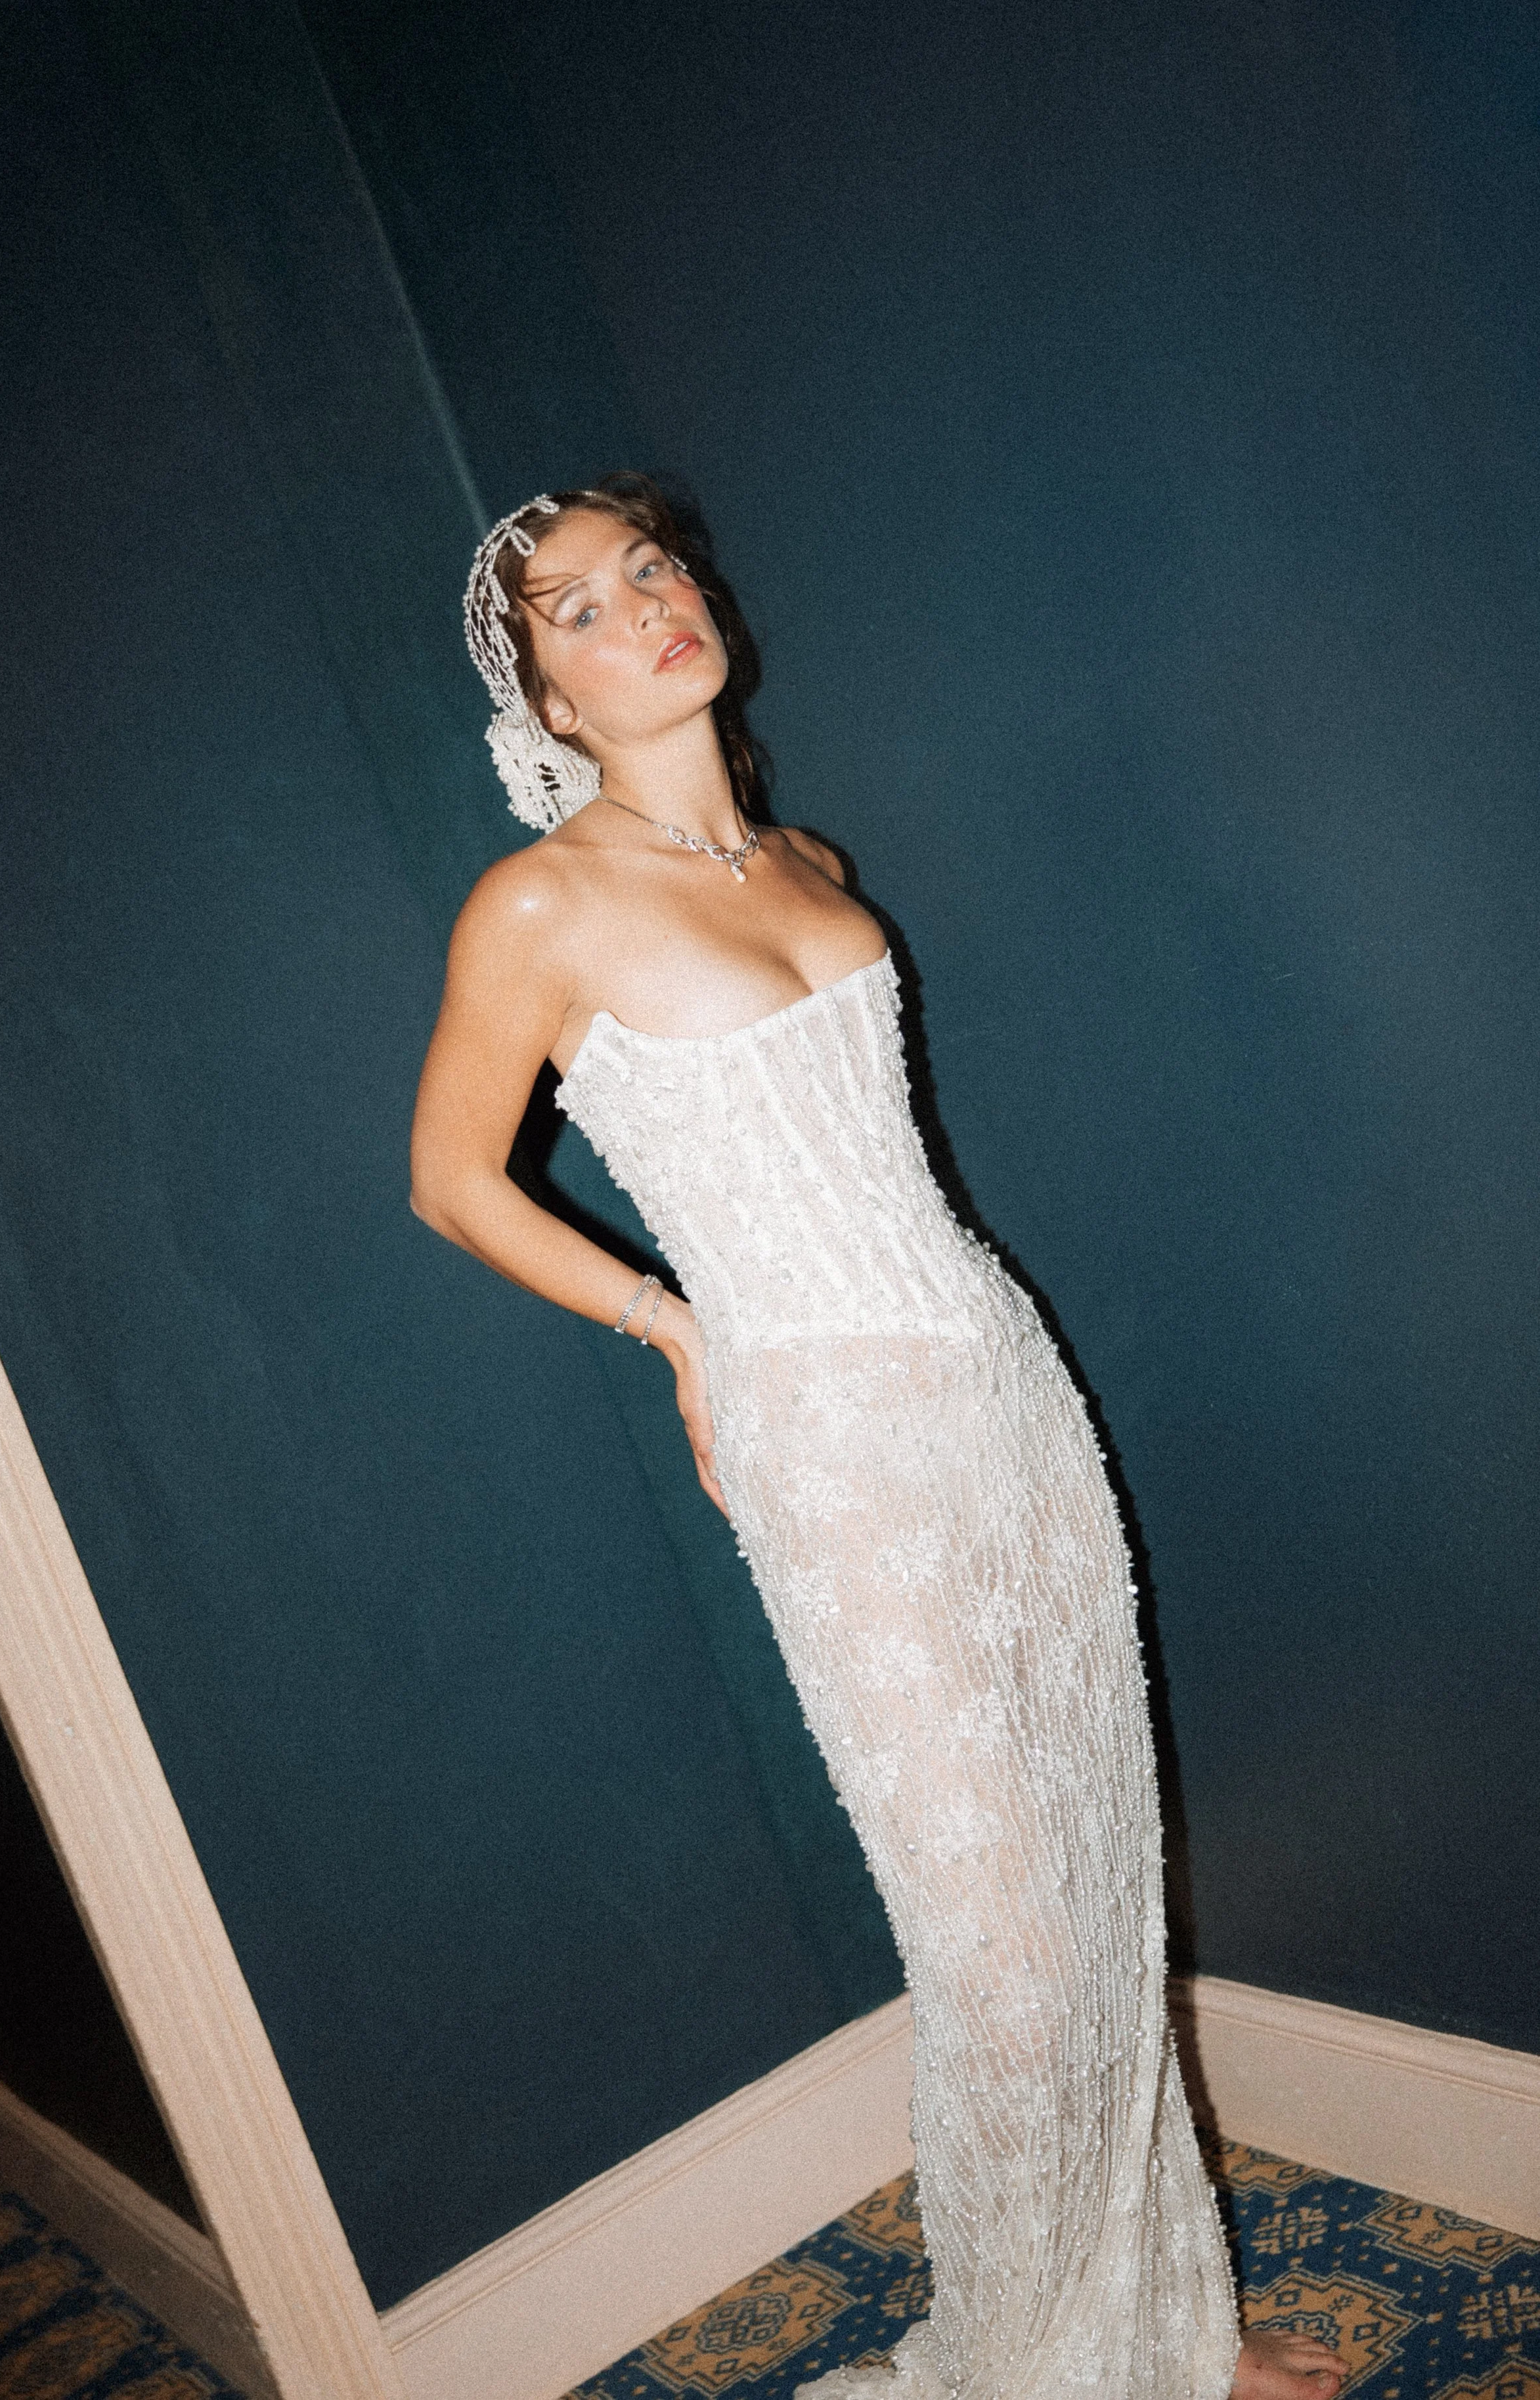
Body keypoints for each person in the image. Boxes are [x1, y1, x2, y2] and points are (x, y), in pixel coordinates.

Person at [409, 477, 1348, 2400]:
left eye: (651, 567)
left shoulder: (810, 861)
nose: (643, 606)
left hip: (999, 1380)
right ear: (549, 701)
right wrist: (673, 1326)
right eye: (582, 607)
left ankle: (1160, 2333)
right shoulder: (540, 902)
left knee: (1098, 1869)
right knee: (997, 1957)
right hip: (829, 1435)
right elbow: (449, 1181)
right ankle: (1021, 2367)